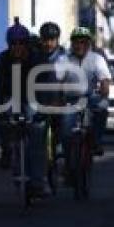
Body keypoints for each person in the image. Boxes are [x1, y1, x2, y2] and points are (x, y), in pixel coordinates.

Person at [0, 18, 49, 196]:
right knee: (6, 122)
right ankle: (7, 150)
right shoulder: (1, 60)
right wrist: (1, 112)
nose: (17, 47)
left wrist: (43, 110)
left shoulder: (38, 60)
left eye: (21, 43)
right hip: (11, 97)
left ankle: (39, 182)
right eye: (13, 43)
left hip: (33, 98)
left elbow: (45, 87)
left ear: (27, 44)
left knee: (37, 133)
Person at [62, 26, 111, 156]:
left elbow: (104, 79)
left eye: (83, 42)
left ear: (88, 44)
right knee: (66, 130)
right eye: (76, 42)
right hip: (69, 99)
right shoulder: (64, 59)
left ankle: (96, 141)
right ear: (72, 43)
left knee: (103, 106)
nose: (79, 45)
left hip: (90, 97)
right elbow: (56, 79)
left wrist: (104, 89)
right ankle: (65, 154)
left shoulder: (96, 59)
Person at [38, 22, 75, 163]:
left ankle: (69, 162)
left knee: (66, 129)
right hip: (39, 101)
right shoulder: (36, 56)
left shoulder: (65, 57)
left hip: (60, 101)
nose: (48, 43)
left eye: (52, 40)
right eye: (45, 40)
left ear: (57, 40)